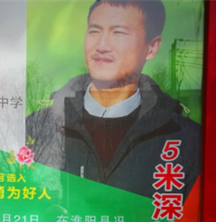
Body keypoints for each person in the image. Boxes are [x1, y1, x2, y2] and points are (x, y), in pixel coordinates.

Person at [27, 0, 201, 201]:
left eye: (118, 33)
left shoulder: (186, 138)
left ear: (152, 47)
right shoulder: (38, 127)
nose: (101, 46)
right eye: (94, 31)